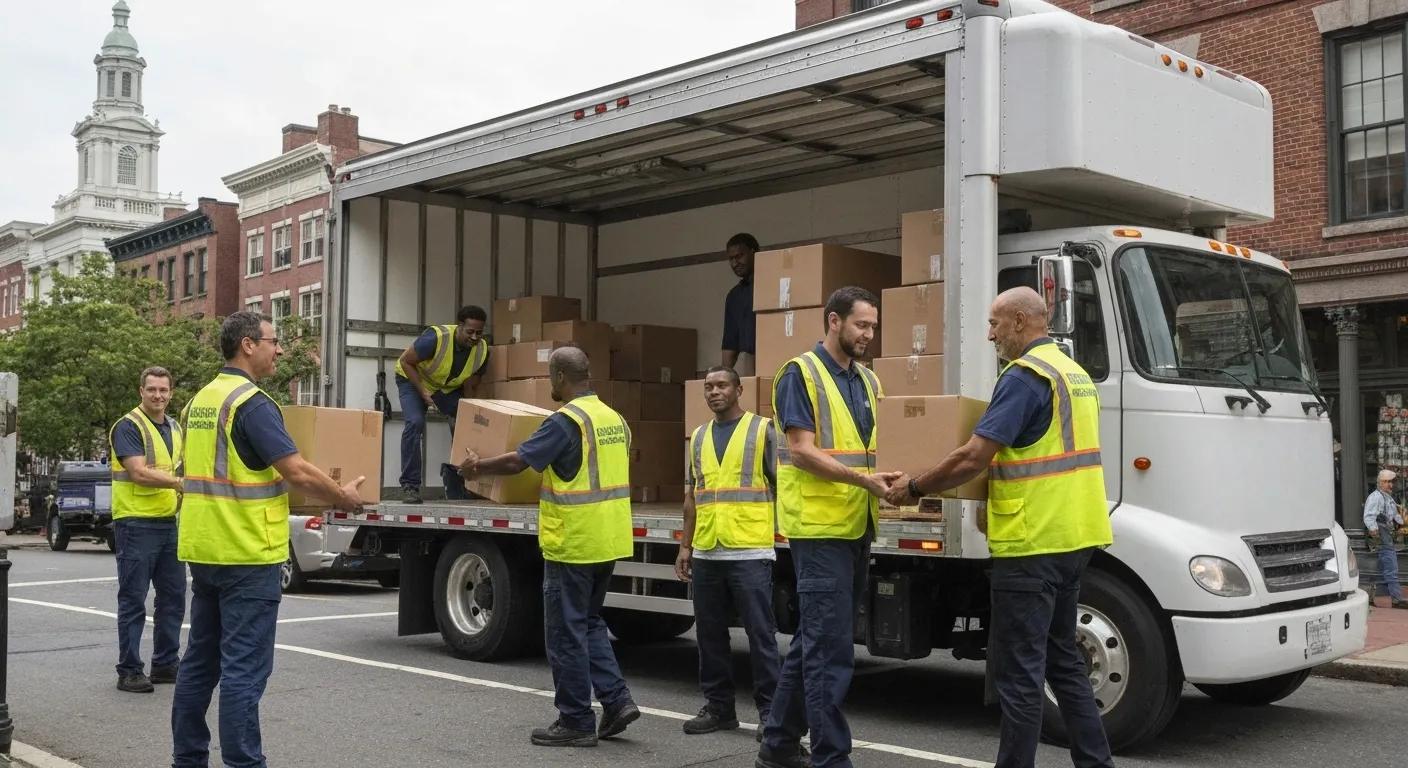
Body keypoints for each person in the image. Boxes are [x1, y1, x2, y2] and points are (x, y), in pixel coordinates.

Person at [885, 287, 1114, 768]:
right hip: (1074, 537)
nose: (990, 335)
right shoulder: (1073, 374)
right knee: (1062, 661)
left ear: (1019, 322)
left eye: (994, 323)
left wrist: (915, 487)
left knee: (1019, 673)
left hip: (1031, 542)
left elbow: (974, 456)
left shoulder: (1026, 376)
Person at [172, 311, 366, 768]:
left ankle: (187, 760)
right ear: (247, 344)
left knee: (199, 663)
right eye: (273, 341)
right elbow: (295, 470)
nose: (279, 349)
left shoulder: (198, 401)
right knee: (244, 669)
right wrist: (343, 496)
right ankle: (244, 763)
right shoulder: (252, 404)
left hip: (205, 550)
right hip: (247, 553)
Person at [458, 346, 640, 748]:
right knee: (588, 622)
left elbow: (518, 463)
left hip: (573, 541)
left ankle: (575, 719)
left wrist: (476, 466)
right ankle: (616, 702)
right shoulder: (615, 419)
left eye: (549, 377)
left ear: (559, 376)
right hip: (609, 539)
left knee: (564, 634)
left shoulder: (565, 421)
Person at [756, 286, 898, 768]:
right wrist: (864, 481)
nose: (869, 334)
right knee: (829, 651)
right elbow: (801, 450)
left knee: (816, 641)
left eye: (873, 326)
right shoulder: (800, 374)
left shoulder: (869, 380)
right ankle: (831, 758)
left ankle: (778, 746)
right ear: (833, 321)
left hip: (857, 525)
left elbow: (878, 447)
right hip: (819, 530)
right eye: (862, 325)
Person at [675, 366, 780, 740]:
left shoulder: (762, 430)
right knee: (709, 635)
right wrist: (685, 546)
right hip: (707, 550)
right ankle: (719, 708)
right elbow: (693, 496)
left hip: (750, 550)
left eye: (722, 385)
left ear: (739, 390)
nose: (714, 392)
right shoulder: (699, 437)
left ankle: (771, 714)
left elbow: (783, 484)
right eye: (708, 387)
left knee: (761, 635)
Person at [108, 365, 186, 694]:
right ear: (141, 391)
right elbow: (138, 472)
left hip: (168, 522)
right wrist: (179, 483)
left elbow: (178, 466)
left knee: (173, 598)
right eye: (151, 389)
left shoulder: (175, 427)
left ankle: (165, 664)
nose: (158, 395)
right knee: (133, 600)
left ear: (171, 393)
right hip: (135, 522)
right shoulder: (128, 426)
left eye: (163, 390)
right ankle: (129, 670)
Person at [395, 305, 491, 504]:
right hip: (413, 380)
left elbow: (472, 383)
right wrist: (423, 392)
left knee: (467, 425)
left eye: (479, 333)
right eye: (470, 332)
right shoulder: (436, 338)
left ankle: (464, 483)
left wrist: (468, 411)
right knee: (415, 422)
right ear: (459, 326)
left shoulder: (482, 350)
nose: (474, 337)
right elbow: (406, 361)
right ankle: (410, 486)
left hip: (444, 388)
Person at [1364, 468, 1408, 609]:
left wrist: (1402, 519)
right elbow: (1369, 516)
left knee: (1380, 568)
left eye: (1391, 482)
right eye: (1387, 482)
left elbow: (1395, 516)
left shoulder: (1388, 498)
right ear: (1381, 483)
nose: (1391, 485)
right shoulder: (1375, 497)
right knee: (1391, 565)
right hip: (1381, 535)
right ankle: (1397, 599)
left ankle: (1368, 597)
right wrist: (1374, 530)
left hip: (1386, 534)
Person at [722, 233, 760, 375]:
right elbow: (730, 343)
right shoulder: (734, 296)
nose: (734, 263)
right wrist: (723, 377)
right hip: (751, 361)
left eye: (739, 256)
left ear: (753, 253)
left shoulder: (774, 286)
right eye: (731, 259)